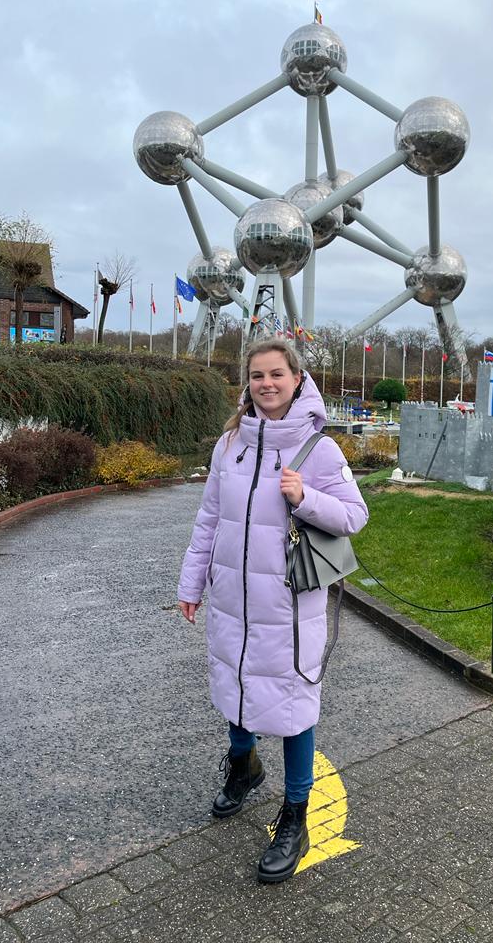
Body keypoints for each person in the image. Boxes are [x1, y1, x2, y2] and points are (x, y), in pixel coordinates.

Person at [177, 338, 369, 883]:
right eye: (257, 375)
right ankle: (244, 767)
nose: (266, 384)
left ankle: (296, 816)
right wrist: (192, 583)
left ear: (297, 379)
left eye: (276, 374)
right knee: (235, 684)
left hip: (287, 606)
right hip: (231, 599)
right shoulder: (230, 444)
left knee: (292, 707)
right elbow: (209, 519)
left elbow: (355, 516)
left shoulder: (320, 449)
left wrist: (305, 498)